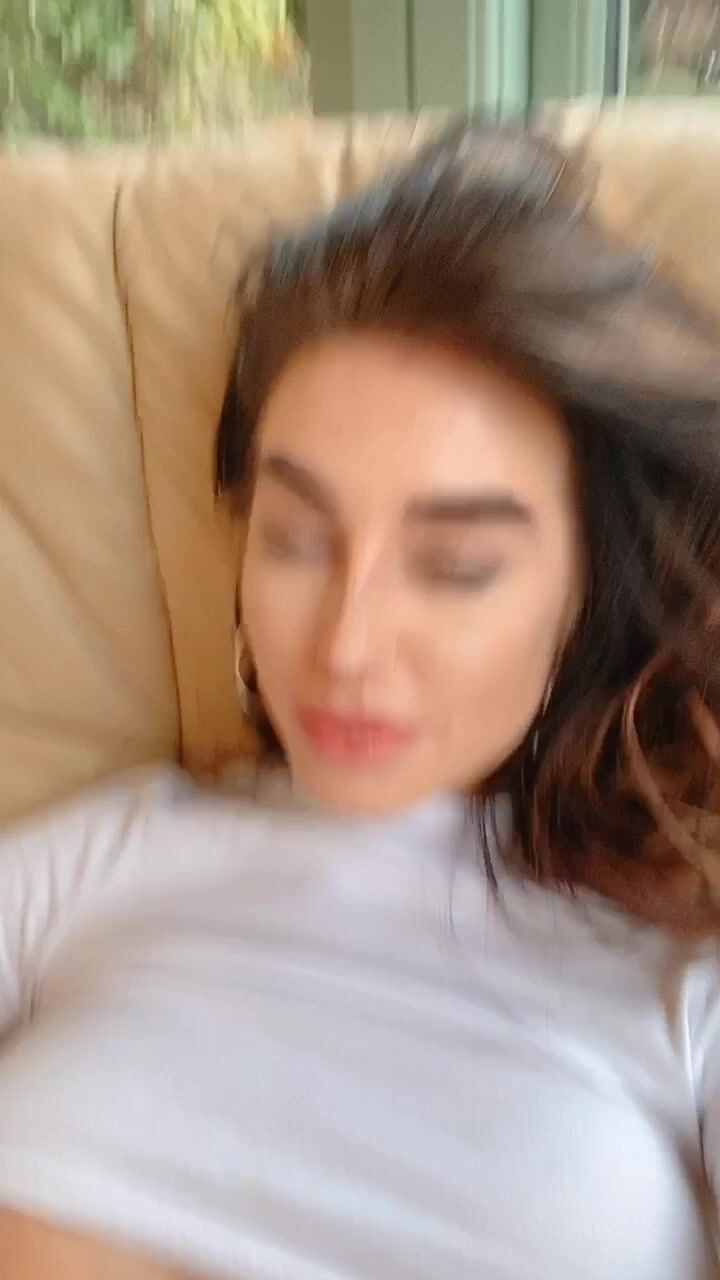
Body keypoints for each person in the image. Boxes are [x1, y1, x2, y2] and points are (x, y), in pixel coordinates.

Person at [2, 117, 720, 1280]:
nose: (343, 644)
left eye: (457, 566)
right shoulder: (98, 856)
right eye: (295, 537)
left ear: (588, 593)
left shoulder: (679, 973)